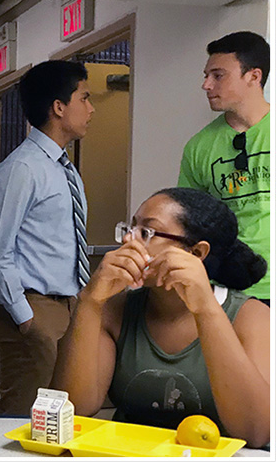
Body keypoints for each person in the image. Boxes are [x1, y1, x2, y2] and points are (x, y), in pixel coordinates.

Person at [51, 187, 269, 448]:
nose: (127, 241)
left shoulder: (251, 317)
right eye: (130, 229)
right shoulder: (114, 310)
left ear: (197, 253)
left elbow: (257, 432)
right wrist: (89, 301)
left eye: (146, 232)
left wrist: (206, 309)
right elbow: (73, 410)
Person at [0, 60, 94, 415]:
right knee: (25, 417)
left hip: (68, 304)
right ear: (59, 107)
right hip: (34, 308)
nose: (91, 108)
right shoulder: (21, 169)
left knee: (62, 417)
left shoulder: (65, 168)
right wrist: (25, 317)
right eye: (85, 98)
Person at [178, 31, 270, 305]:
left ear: (253, 76)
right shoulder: (199, 147)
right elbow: (189, 223)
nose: (206, 85)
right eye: (206, 75)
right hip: (226, 288)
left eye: (218, 76)